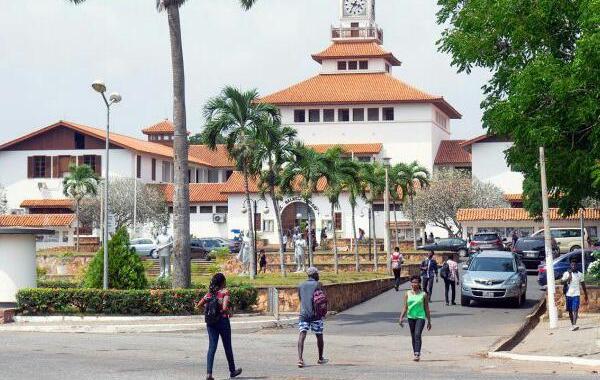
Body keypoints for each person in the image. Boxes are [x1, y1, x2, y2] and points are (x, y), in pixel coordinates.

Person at [196, 273, 243, 380]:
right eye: (225, 281)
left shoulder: (209, 294)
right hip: (223, 321)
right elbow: (225, 307)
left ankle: (209, 374)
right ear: (222, 282)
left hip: (211, 322)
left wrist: (208, 311)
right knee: (227, 346)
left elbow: (199, 305)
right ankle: (232, 371)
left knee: (212, 347)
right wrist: (230, 313)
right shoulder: (225, 292)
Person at [297, 267, 328, 368]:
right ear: (314, 275)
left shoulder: (300, 285)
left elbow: (300, 299)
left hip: (303, 314)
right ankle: (320, 358)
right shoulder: (318, 284)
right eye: (317, 274)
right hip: (316, 315)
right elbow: (322, 299)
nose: (318, 275)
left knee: (302, 334)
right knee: (319, 335)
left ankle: (300, 359)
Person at [399, 275, 432, 362]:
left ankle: (417, 353)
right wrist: (401, 318)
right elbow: (405, 307)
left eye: (416, 282)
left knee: (417, 334)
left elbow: (426, 308)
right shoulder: (407, 293)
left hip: (420, 317)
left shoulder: (423, 294)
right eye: (413, 282)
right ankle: (415, 352)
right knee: (413, 336)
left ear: (419, 283)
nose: (414, 284)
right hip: (411, 317)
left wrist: (429, 321)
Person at [561, 259, 589, 331]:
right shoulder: (566, 273)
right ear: (570, 265)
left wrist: (586, 295)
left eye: (575, 265)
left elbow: (583, 285)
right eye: (572, 265)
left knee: (575, 309)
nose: (573, 266)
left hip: (576, 294)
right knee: (570, 310)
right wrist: (568, 278)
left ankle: (574, 324)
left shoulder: (580, 274)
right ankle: (573, 324)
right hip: (568, 294)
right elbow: (561, 282)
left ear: (577, 266)